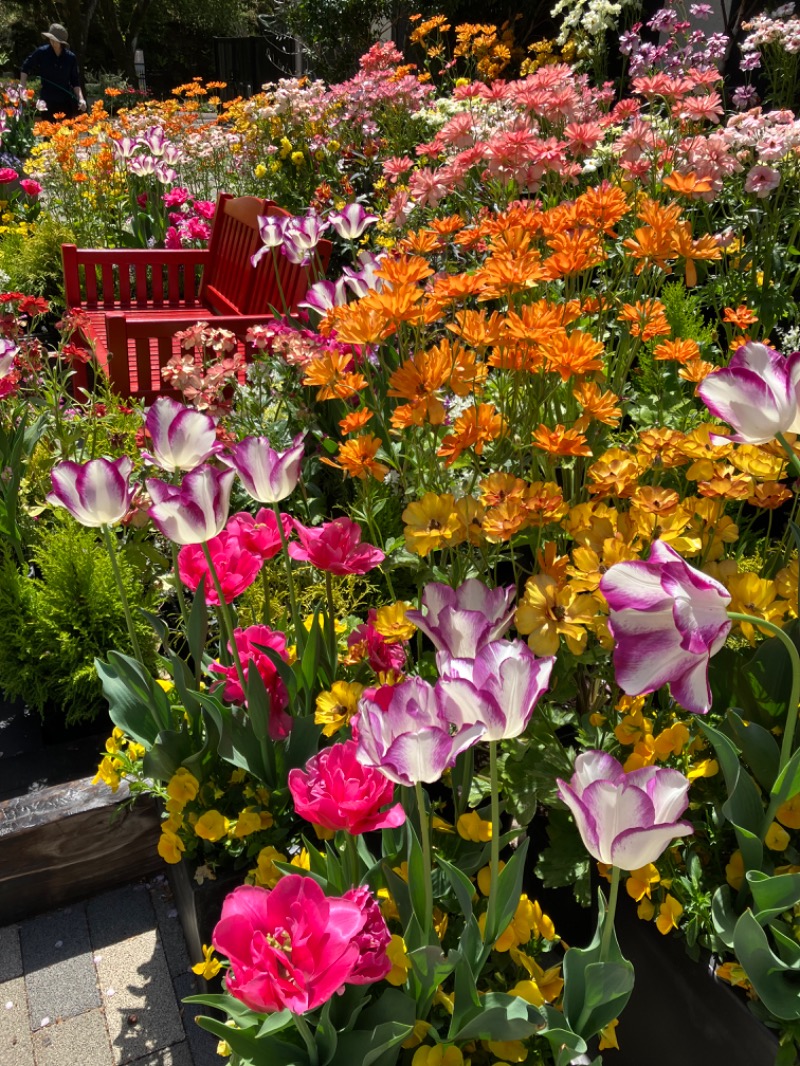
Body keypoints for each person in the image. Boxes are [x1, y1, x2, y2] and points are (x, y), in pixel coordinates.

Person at [20, 23, 87, 123]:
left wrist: (81, 99)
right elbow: (25, 67)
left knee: (65, 134)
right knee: (48, 133)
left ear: (62, 42)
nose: (52, 42)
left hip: (65, 101)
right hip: (47, 101)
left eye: (55, 40)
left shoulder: (70, 58)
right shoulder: (42, 53)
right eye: (51, 39)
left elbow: (75, 81)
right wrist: (23, 86)